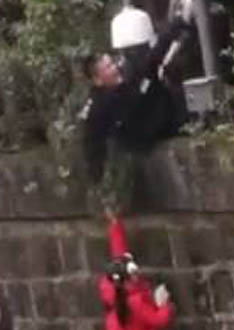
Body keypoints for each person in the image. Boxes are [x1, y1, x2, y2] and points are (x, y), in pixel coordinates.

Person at [80, 6, 195, 193]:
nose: (114, 68)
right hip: (139, 141)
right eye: (108, 68)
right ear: (98, 79)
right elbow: (91, 142)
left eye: (112, 64)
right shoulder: (98, 107)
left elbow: (153, 58)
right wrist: (97, 180)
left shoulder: (129, 75)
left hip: (159, 122)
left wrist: (176, 25)